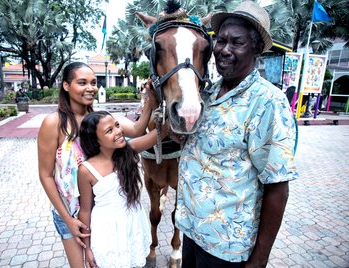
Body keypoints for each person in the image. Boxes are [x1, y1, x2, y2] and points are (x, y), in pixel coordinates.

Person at [175, 1, 299, 267]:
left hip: (226, 247)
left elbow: (278, 187)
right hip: (192, 231)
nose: (224, 50)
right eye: (220, 41)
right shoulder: (205, 93)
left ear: (256, 50)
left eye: (237, 43)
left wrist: (260, 259)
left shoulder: (267, 102)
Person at [37, 62, 152, 267]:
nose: (90, 88)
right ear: (66, 85)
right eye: (82, 83)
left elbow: (136, 130)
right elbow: (45, 175)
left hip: (98, 213)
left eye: (93, 82)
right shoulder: (53, 123)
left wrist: (151, 100)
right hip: (70, 212)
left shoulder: (99, 119)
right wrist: (68, 220)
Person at [78, 111, 169, 268]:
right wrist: (87, 248)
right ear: (95, 139)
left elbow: (160, 133)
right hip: (107, 231)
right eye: (109, 130)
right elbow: (85, 211)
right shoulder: (86, 170)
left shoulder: (129, 150)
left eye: (117, 125)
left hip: (132, 223)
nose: (118, 131)